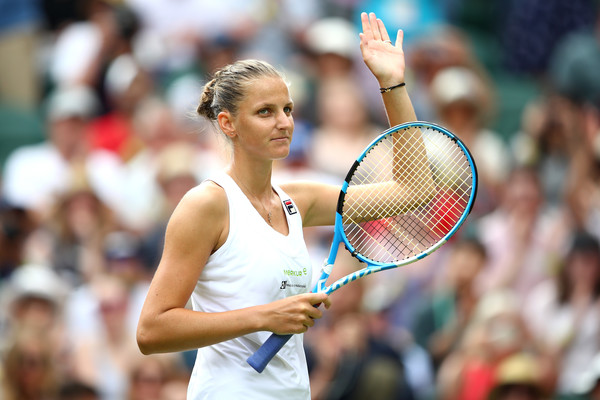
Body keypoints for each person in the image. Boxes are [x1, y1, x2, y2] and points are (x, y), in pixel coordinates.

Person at [136, 12, 418, 399]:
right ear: (228, 123)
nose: (283, 122)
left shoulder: (299, 201)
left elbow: (411, 192)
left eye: (287, 109)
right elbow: (152, 331)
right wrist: (264, 317)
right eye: (265, 112)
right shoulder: (206, 205)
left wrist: (392, 84)